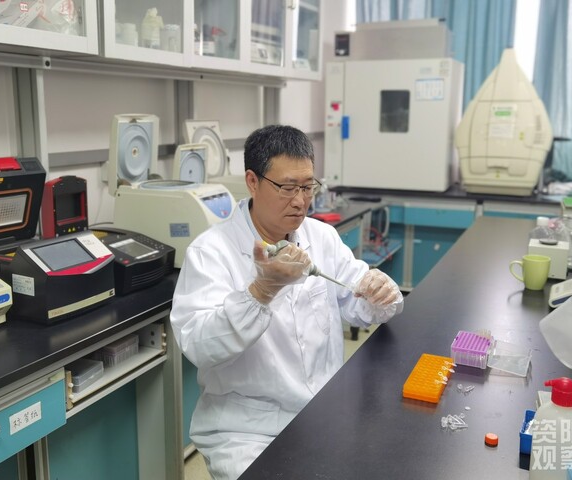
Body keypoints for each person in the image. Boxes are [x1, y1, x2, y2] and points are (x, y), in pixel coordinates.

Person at [170, 125, 404, 480]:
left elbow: (360, 301)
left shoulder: (320, 236)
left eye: (308, 187)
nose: (300, 201)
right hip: (246, 431)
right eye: (287, 187)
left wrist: (381, 290)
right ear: (252, 181)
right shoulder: (211, 252)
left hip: (323, 411)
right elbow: (199, 346)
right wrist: (261, 291)